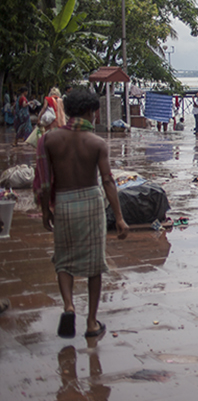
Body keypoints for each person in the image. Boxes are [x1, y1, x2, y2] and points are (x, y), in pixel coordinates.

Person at [38, 88, 129, 338]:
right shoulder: (97, 143)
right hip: (91, 201)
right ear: (91, 112)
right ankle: (91, 323)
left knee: (63, 258)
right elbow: (108, 181)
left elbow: (45, 182)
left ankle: (68, 306)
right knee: (94, 264)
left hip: (64, 202)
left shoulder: (49, 140)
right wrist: (119, 218)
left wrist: (46, 210)